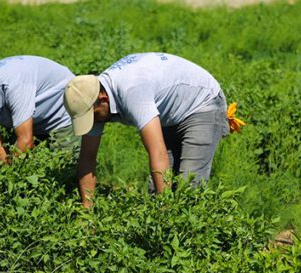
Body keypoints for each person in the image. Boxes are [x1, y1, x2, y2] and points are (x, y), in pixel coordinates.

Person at [64, 52, 232, 208]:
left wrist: (164, 211)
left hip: (202, 103)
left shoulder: (131, 91)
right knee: (156, 191)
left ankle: (192, 235)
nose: (92, 122)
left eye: (91, 116)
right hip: (170, 109)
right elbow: (87, 157)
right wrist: (88, 212)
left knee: (189, 187)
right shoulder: (93, 99)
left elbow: (158, 153)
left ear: (103, 99)